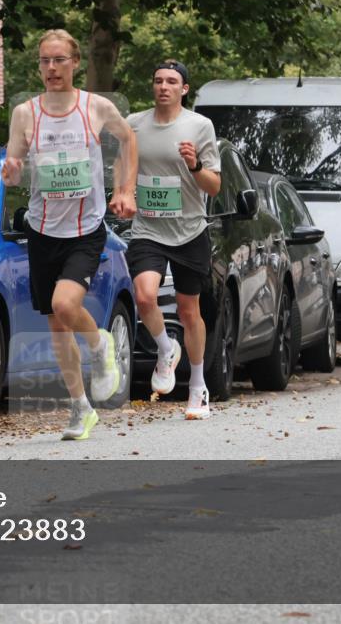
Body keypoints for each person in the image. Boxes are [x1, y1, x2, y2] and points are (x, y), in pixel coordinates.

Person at [2, 29, 137, 440]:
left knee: (65, 304)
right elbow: (14, 166)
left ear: (75, 62)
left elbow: (129, 139)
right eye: (45, 60)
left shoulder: (95, 107)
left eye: (59, 59)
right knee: (57, 325)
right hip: (42, 230)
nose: (52, 67)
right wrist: (12, 170)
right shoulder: (25, 113)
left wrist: (125, 190)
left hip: (85, 229)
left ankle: (100, 344)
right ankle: (80, 408)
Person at [124, 59, 221, 419]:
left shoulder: (199, 126)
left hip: (189, 229)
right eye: (158, 80)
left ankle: (197, 385)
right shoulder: (134, 123)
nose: (163, 86)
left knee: (188, 310)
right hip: (148, 228)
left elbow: (214, 186)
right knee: (144, 295)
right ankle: (166, 349)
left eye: (171, 81)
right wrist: (124, 192)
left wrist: (195, 165)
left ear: (184, 89)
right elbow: (123, 166)